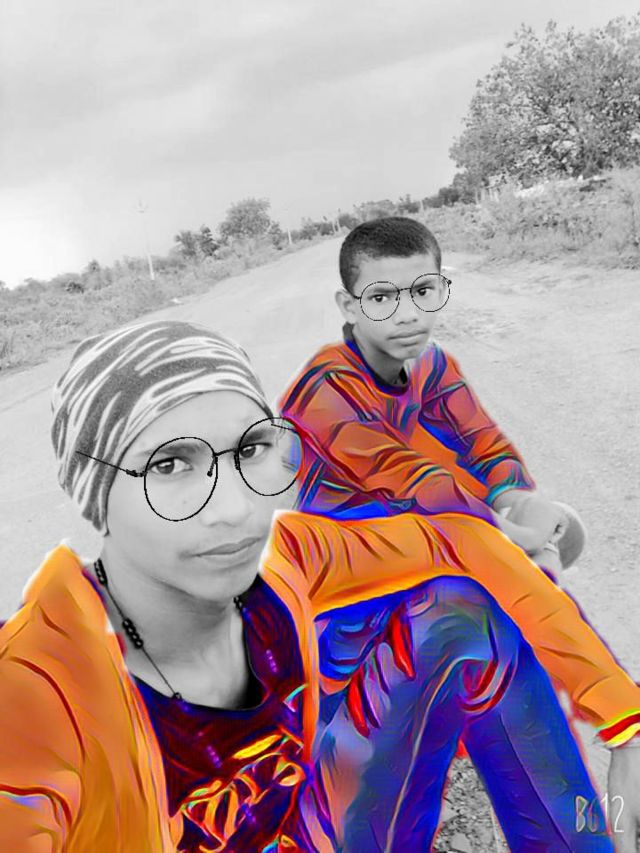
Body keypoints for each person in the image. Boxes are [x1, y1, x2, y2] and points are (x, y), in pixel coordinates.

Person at [0, 319, 637, 852]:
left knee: (460, 616)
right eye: (170, 465)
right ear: (94, 491)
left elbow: (458, 540)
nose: (234, 508)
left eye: (249, 451)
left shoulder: (285, 558)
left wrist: (626, 724)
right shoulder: (36, 694)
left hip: (311, 828)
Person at [278, 216, 640, 838]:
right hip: (343, 612)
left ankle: (581, 799)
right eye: (382, 297)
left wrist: (517, 503)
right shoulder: (324, 390)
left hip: (429, 575)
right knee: (488, 565)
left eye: (424, 291)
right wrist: (508, 533)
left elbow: (485, 446)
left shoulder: (430, 364)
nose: (407, 314)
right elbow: (415, 482)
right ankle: (620, 724)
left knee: (527, 562)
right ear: (348, 305)